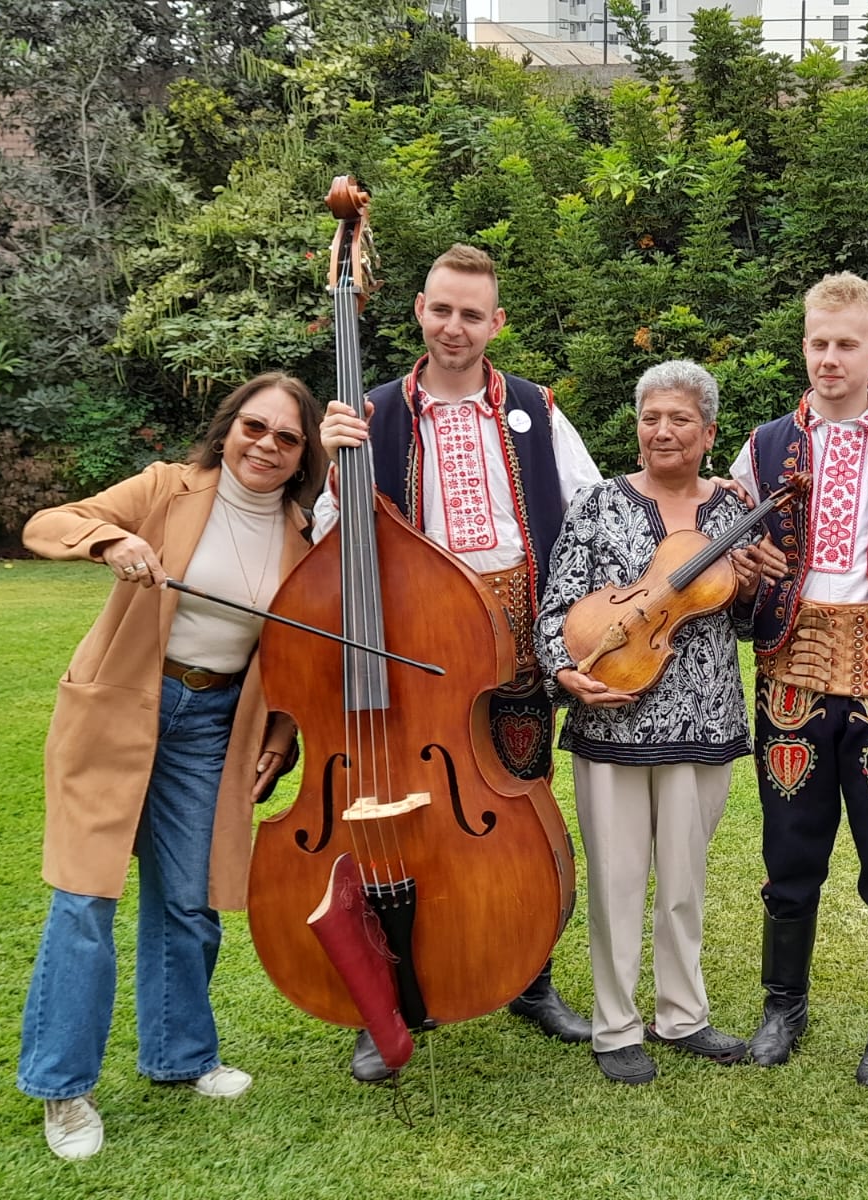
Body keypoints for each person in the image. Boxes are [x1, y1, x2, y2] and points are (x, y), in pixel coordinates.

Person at [17, 372, 326, 1160]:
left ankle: (180, 1056)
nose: (266, 446)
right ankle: (63, 1089)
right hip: (122, 704)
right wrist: (110, 540)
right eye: (254, 427)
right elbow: (50, 523)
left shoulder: (303, 537)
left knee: (189, 900)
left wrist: (280, 732)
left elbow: (297, 652)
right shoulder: (166, 487)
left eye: (286, 438)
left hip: (213, 724)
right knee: (85, 899)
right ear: (229, 427)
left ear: (303, 457)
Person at [315, 242, 601, 1080]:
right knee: (397, 823)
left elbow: (591, 514)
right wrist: (335, 471)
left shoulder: (535, 409)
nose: (454, 326)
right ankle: (390, 997)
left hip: (516, 648)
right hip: (414, 655)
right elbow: (328, 543)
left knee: (522, 817)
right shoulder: (370, 414)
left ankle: (528, 977)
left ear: (495, 323)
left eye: (471, 314)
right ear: (419, 310)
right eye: (441, 309)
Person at [728, 272, 868, 1089]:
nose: (829, 358)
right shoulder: (764, 443)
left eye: (847, 344)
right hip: (794, 657)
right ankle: (783, 1006)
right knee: (790, 844)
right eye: (818, 342)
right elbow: (727, 535)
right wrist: (746, 562)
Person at [536, 360, 773, 1084]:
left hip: (703, 716)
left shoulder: (734, 511)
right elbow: (558, 607)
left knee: (683, 882)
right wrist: (565, 671)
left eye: (679, 419)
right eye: (650, 418)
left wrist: (751, 592)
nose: (662, 431)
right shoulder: (597, 504)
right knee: (615, 880)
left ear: (709, 432)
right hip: (612, 720)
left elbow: (747, 626)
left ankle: (683, 1015)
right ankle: (615, 1026)